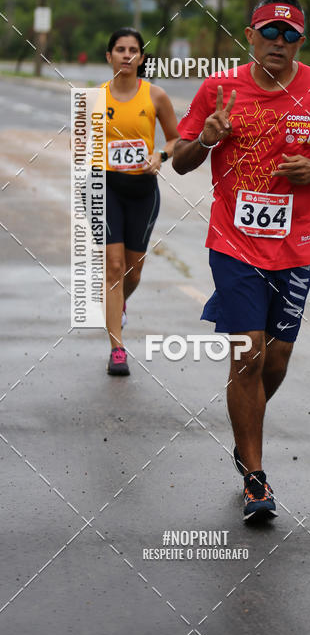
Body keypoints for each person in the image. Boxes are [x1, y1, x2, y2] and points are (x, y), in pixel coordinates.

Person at [173, 0, 310, 522]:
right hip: (233, 243)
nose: (278, 43)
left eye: (290, 35)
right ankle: (256, 479)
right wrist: (207, 140)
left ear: (301, 41)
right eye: (269, 32)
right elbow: (181, 164)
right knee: (249, 354)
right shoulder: (218, 89)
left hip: (298, 242)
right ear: (250, 34)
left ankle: (245, 432)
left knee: (276, 358)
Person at [101, 28, 179, 376]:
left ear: (142, 58)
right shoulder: (94, 98)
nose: (127, 55)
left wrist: (160, 155)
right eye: (120, 49)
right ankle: (117, 348)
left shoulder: (156, 95)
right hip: (106, 189)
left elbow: (177, 139)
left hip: (143, 192)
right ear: (109, 57)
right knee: (114, 267)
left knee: (133, 270)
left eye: (133, 50)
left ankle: (119, 305)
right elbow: (78, 145)